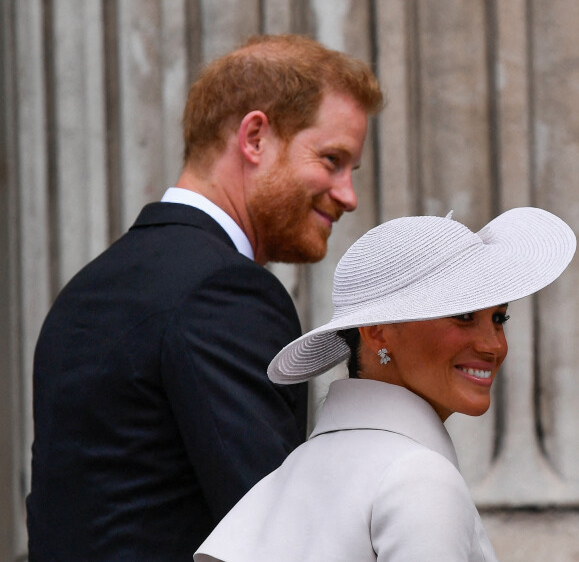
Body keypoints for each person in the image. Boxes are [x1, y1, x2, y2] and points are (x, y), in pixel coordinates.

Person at [26, 34, 384, 560]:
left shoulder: (86, 288)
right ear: (255, 137)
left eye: (351, 170)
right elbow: (277, 534)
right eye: (331, 159)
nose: (348, 195)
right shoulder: (224, 291)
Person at [194, 207, 576, 562]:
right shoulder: (417, 476)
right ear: (377, 332)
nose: (494, 345)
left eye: (499, 319)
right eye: (463, 315)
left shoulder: (294, 471)